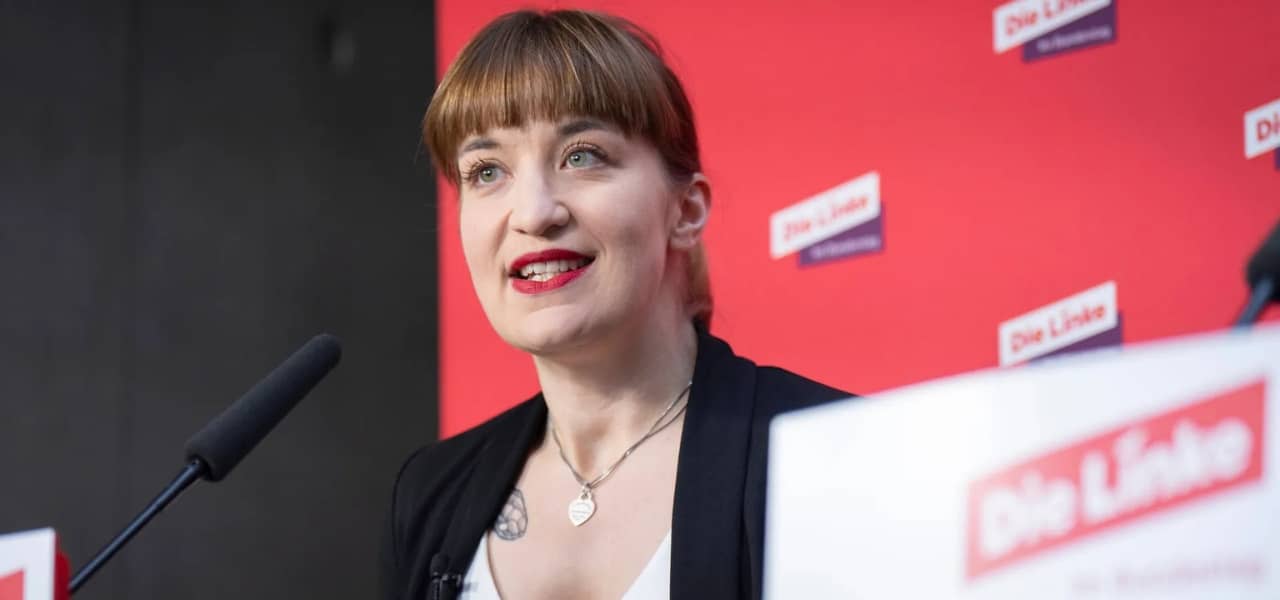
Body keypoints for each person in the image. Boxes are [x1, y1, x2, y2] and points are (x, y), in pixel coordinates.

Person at [382, 9, 851, 600]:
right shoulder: (430, 493)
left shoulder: (833, 455)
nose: (533, 213)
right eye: (487, 171)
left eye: (581, 156)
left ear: (686, 210)